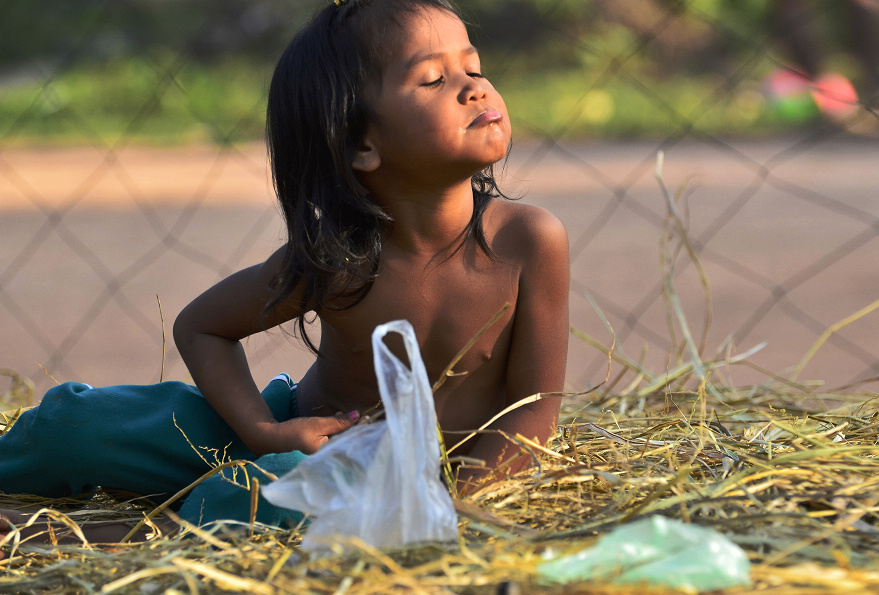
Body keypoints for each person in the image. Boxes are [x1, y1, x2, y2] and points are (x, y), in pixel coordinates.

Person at [0, 0, 569, 545]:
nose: (476, 86)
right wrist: (261, 430)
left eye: (472, 66)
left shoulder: (529, 243)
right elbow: (202, 326)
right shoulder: (341, 256)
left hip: (371, 482)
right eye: (432, 80)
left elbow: (535, 412)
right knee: (76, 425)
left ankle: (94, 538)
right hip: (294, 426)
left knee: (264, 496)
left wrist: (452, 506)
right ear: (361, 144)